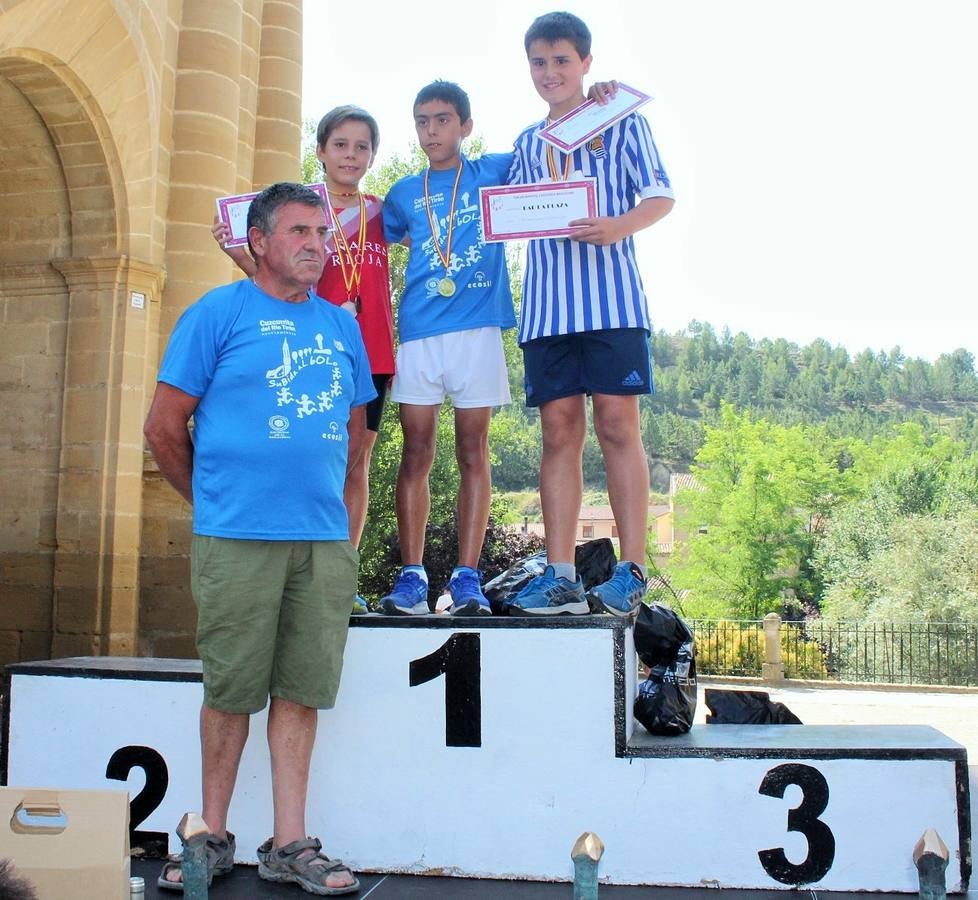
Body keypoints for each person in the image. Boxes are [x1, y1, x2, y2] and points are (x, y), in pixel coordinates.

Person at [146, 182, 374, 895]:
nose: (316, 244)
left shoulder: (342, 327)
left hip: (320, 540)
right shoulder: (216, 314)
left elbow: (359, 435)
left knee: (300, 692)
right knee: (231, 690)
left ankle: (289, 842)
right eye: (300, 231)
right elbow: (162, 428)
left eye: (322, 233)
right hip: (236, 537)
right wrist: (213, 502)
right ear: (261, 242)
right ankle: (210, 838)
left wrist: (338, 522)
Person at [506, 12, 675, 617]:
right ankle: (560, 574)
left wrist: (617, 227)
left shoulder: (621, 119)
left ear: (585, 63)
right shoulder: (528, 144)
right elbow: (515, 211)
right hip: (548, 313)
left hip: (613, 305)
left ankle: (633, 570)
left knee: (617, 428)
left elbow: (660, 194)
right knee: (558, 436)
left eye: (561, 60)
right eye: (538, 62)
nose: (549, 72)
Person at [212, 105, 394, 615]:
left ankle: (340, 575)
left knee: (356, 464)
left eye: (362, 147)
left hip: (373, 352)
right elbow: (269, 272)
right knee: (309, 459)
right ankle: (292, 571)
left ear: (373, 155)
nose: (351, 155)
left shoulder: (384, 211)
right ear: (320, 151)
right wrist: (237, 254)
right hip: (310, 351)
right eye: (340, 145)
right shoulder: (300, 213)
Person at [379, 80, 516, 617]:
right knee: (416, 450)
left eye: (441, 119)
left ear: (465, 126)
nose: (431, 131)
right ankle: (412, 576)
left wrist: (592, 107)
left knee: (471, 450)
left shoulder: (492, 173)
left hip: (477, 330)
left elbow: (549, 144)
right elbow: (370, 239)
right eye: (421, 121)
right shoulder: (403, 194)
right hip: (418, 333)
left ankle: (466, 577)